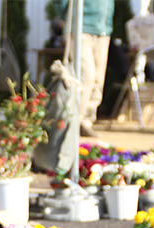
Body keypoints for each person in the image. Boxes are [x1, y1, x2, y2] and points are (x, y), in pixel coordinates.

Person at [59, 0, 114, 137]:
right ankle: (75, 120)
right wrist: (63, 16)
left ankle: (86, 122)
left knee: (98, 80)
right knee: (87, 75)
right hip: (80, 28)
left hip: (103, 31)